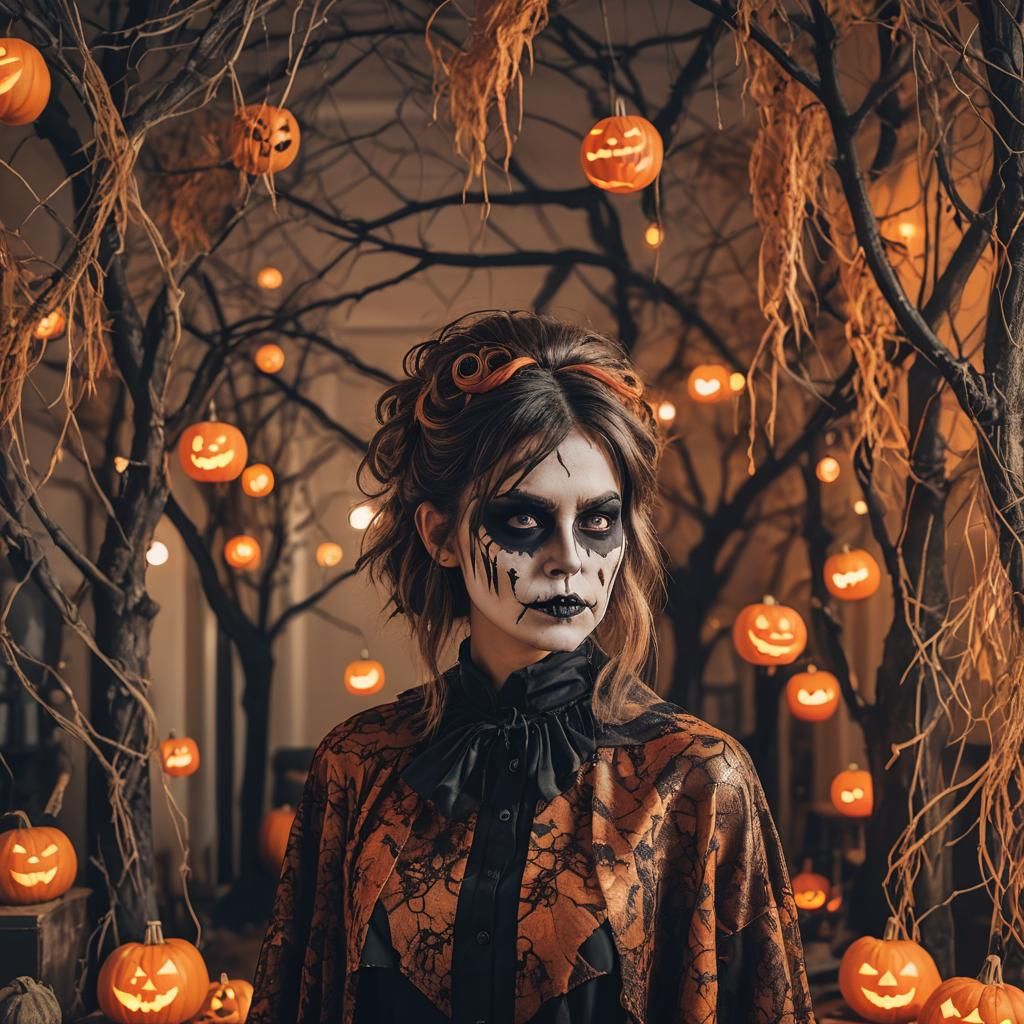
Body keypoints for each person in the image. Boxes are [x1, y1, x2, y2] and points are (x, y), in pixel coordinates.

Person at [248, 310, 815, 1024]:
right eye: (523, 519)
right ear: (440, 534)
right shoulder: (356, 767)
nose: (569, 558)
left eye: (597, 520)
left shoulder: (696, 778)